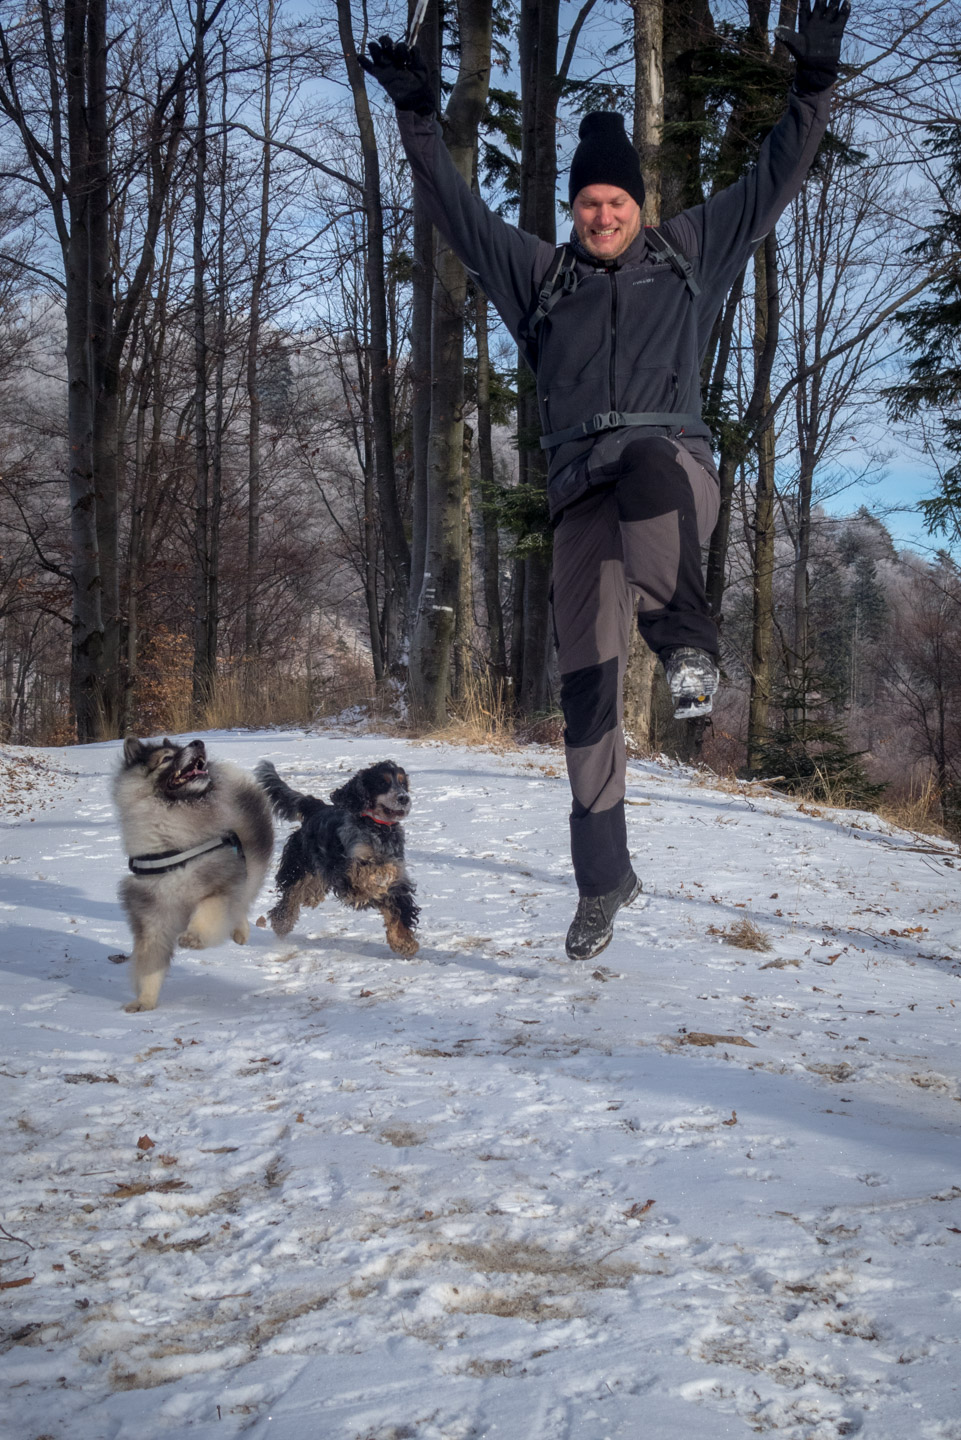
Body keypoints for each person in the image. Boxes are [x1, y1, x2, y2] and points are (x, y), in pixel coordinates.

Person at [361, 0, 851, 960]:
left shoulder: (688, 256)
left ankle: (689, 650)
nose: (602, 212)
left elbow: (771, 182)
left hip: (672, 471)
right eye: (588, 202)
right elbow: (456, 213)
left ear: (639, 205)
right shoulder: (539, 280)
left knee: (647, 461)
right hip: (581, 497)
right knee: (584, 692)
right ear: (573, 211)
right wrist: (418, 118)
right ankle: (604, 880)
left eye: (616, 200)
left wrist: (812, 90)